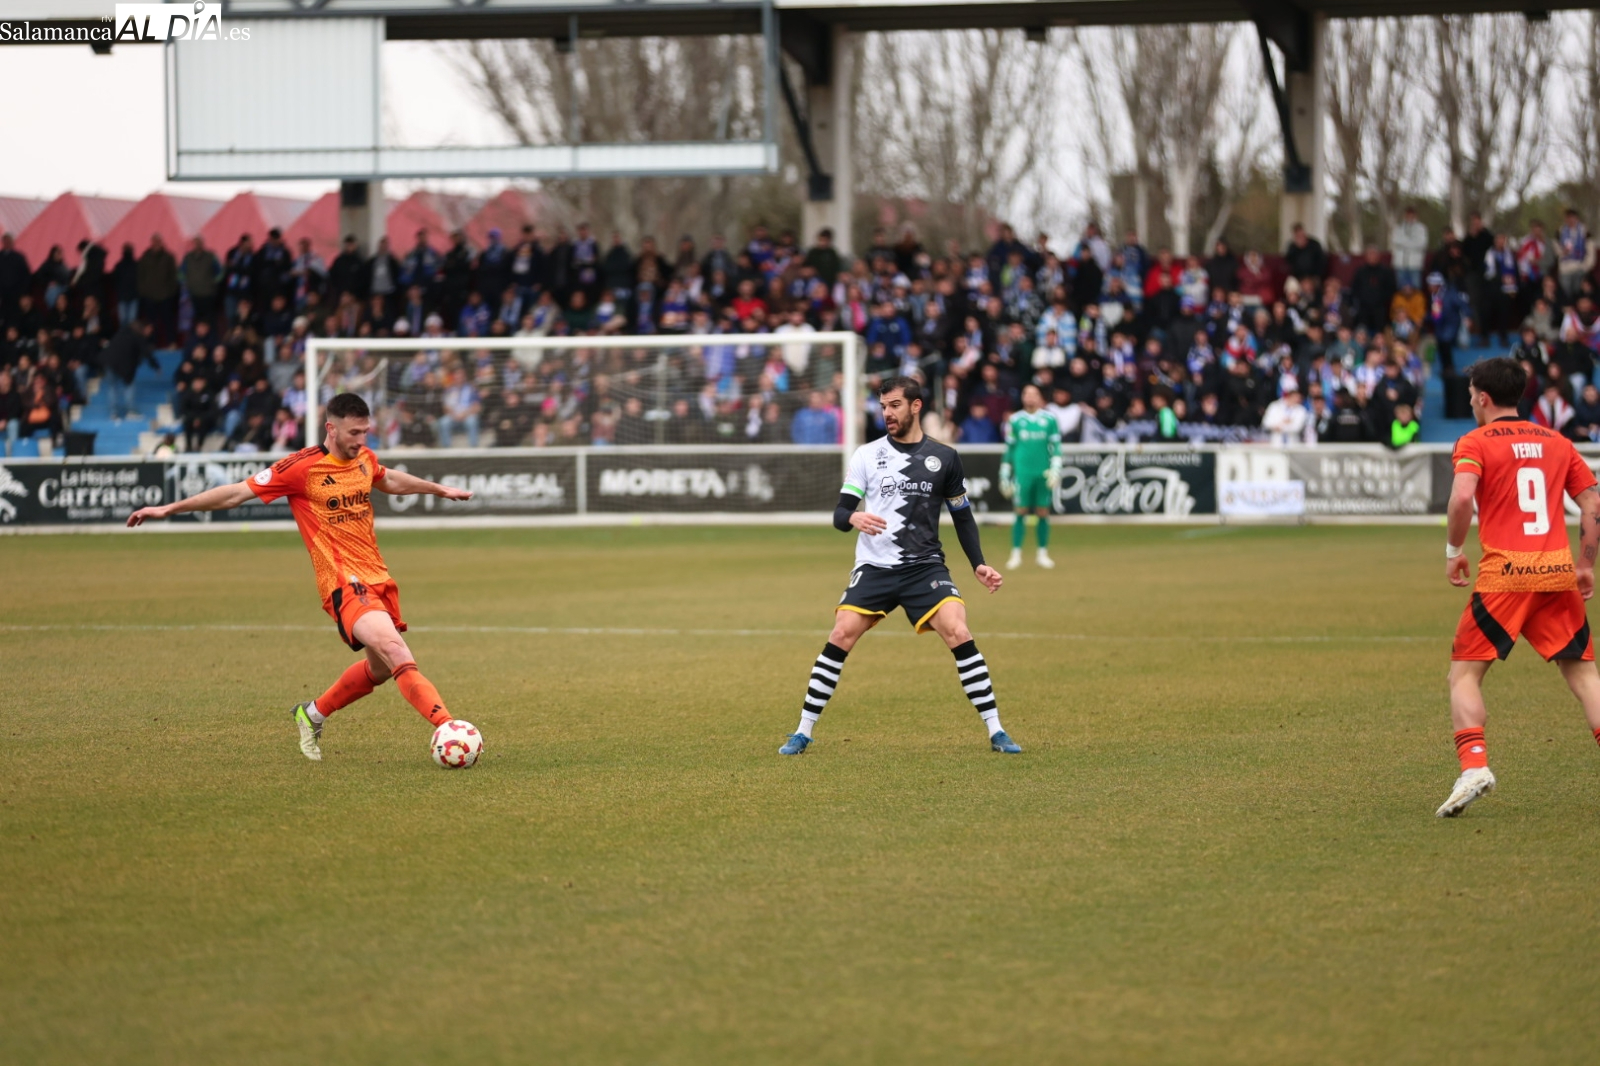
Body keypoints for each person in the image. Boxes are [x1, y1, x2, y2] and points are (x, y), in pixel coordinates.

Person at [126, 393, 475, 761]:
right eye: (354, 432)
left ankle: (311, 714)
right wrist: (169, 509)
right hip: (342, 582)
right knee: (396, 652)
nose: (361, 440)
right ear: (331, 428)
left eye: (365, 432)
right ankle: (449, 728)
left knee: (381, 668)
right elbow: (234, 494)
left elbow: (387, 479)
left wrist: (438, 489)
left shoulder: (364, 460)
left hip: (379, 578)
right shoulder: (300, 468)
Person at [777, 377, 1017, 757]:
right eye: (883, 406)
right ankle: (803, 731)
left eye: (894, 405)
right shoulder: (866, 455)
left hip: (925, 567)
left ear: (916, 406)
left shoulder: (946, 457)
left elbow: (962, 516)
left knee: (958, 630)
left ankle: (997, 731)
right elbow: (841, 513)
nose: (887, 413)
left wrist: (979, 565)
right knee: (841, 634)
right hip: (875, 566)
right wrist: (854, 518)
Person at [1437, 357, 1600, 817]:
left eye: (1471, 396)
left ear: (1483, 398)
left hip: (1506, 575)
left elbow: (1463, 495)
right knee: (1584, 674)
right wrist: (1586, 564)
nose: (1471, 403)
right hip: (1556, 572)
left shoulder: (1475, 441)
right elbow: (1592, 502)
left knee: (1464, 675)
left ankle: (1474, 766)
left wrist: (1453, 552)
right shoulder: (1556, 441)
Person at [1000, 384, 1061, 571]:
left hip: (1042, 473)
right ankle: (1016, 553)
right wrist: (1004, 472)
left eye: (1034, 394)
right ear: (1023, 397)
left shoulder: (1049, 419)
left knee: (1043, 511)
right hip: (1022, 474)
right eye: (1026, 394)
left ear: (1040, 397)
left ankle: (1042, 553)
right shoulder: (1016, 420)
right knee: (1020, 511)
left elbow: (1056, 446)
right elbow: (1010, 448)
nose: (1030, 397)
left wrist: (1056, 467)